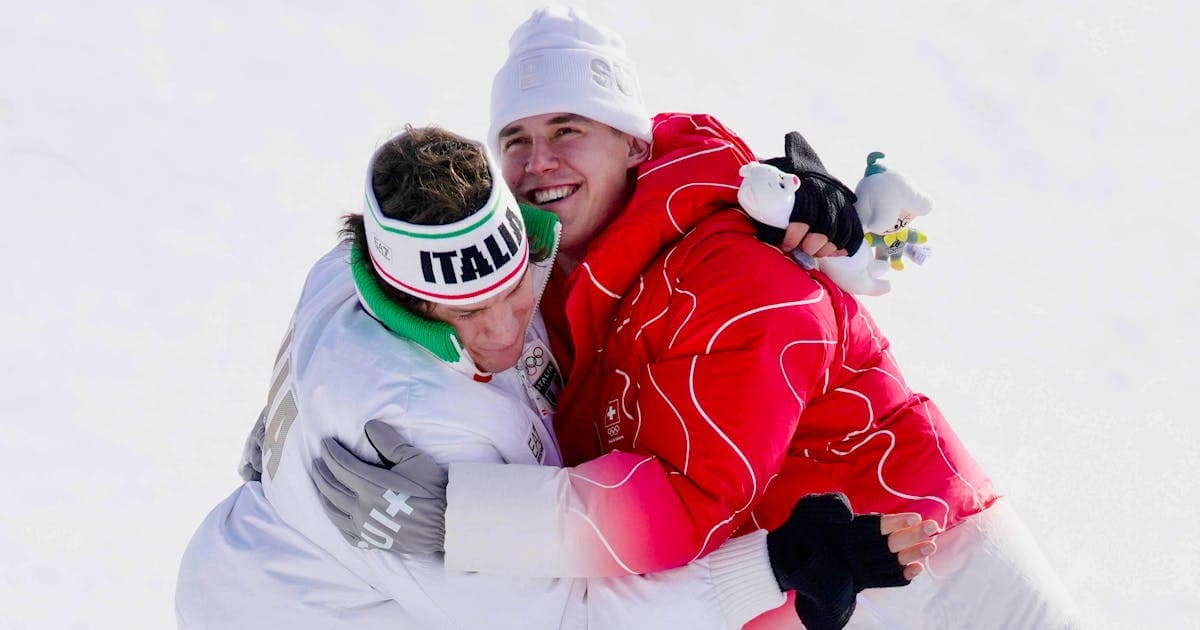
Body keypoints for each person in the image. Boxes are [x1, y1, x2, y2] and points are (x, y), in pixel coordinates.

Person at [316, 6, 1081, 629]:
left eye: (568, 131)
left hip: (921, 572)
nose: (537, 162)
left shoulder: (736, 280)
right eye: (515, 139)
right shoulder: (548, 273)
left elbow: (681, 504)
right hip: (787, 594)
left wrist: (463, 521)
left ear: (632, 142)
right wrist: (312, 408)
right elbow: (413, 267)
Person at [178, 126, 934, 629]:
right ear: (400, 303)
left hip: (258, 557)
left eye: (512, 292)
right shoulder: (410, 438)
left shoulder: (349, 274)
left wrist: (794, 213)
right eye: (465, 319)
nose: (503, 329)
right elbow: (577, 622)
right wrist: (779, 564)